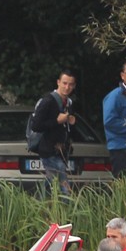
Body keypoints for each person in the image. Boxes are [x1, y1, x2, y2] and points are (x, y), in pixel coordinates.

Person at [28, 70, 79, 198]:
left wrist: (71, 123)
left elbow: (65, 129)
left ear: (74, 86)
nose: (67, 87)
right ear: (58, 82)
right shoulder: (48, 101)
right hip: (48, 150)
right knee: (63, 186)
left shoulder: (69, 103)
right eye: (64, 83)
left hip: (61, 150)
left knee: (51, 182)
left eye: (71, 84)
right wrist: (56, 121)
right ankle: (66, 210)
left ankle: (39, 205)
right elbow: (36, 126)